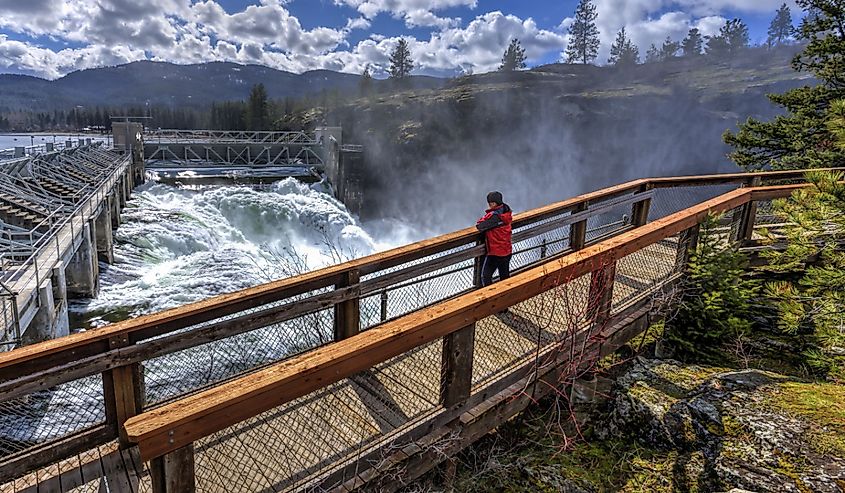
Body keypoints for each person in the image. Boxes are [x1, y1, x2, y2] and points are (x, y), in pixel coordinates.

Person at [475, 191, 513, 288]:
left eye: (490, 203)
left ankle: (491, 298)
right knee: (505, 278)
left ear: (493, 203)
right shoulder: (506, 212)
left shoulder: (494, 217)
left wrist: (485, 217)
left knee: (486, 276)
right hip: (507, 251)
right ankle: (506, 298)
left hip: (495, 253)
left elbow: (480, 226)